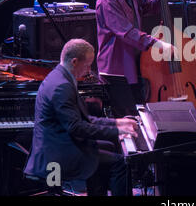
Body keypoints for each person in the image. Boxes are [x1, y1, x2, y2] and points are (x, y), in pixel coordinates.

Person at [24, 39, 138, 196]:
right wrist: (118, 131)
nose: (89, 70)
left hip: (57, 144)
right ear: (75, 61)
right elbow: (76, 128)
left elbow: (84, 119)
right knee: (121, 163)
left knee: (110, 147)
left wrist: (117, 123)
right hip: (57, 154)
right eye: (88, 65)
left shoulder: (59, 76)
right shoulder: (62, 87)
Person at [95, 0, 174, 111]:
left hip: (135, 64)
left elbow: (151, 6)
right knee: (128, 118)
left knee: (140, 116)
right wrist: (159, 44)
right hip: (117, 71)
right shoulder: (108, 0)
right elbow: (127, 33)